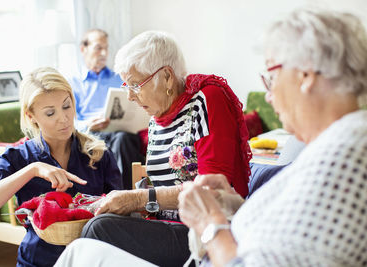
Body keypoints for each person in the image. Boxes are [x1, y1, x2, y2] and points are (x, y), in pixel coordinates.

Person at [55, 8, 367, 267]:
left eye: (271, 77)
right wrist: (225, 205)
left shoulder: (346, 155)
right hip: (205, 241)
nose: (269, 96)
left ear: (305, 76)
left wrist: (210, 222)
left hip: (204, 245)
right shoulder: (329, 149)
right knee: (83, 248)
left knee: (87, 245)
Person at [79, 30, 252, 266]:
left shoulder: (207, 99)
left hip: (201, 231)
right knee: (96, 221)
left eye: (135, 85)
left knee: (99, 230)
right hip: (167, 224)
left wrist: (138, 198)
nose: (129, 96)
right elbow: (160, 188)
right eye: (126, 85)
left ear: (167, 76)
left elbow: (212, 189)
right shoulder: (156, 117)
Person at [0, 67, 122, 267]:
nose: (63, 118)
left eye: (67, 106)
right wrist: (32, 169)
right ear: (31, 116)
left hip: (92, 258)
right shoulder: (18, 157)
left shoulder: (98, 154)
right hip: (37, 260)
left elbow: (120, 213)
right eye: (50, 113)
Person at [69, 28, 144, 190]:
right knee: (87, 143)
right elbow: (69, 120)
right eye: (98, 48)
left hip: (118, 132)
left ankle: (127, 196)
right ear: (84, 49)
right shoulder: (73, 83)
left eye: (106, 48)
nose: (104, 53)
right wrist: (88, 124)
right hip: (89, 133)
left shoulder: (119, 78)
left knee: (124, 139)